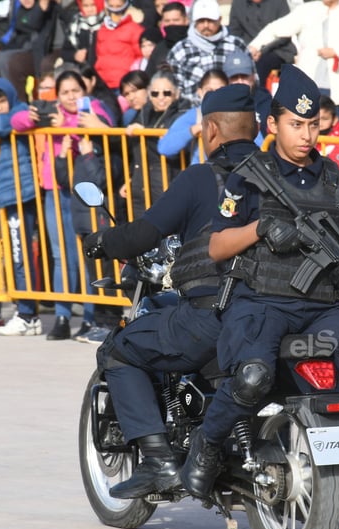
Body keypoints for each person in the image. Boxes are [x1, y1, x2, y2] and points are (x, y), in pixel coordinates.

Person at [180, 65, 339, 500]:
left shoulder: (332, 178)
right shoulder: (248, 175)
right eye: (295, 124)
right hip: (260, 303)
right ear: (272, 124)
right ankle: (207, 445)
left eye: (312, 125)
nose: (306, 135)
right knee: (251, 379)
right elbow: (215, 246)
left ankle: (336, 450)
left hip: (321, 308)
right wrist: (261, 229)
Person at [79, 84, 261, 498]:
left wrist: (102, 242)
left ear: (211, 130)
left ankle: (160, 461)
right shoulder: (283, 177)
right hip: (281, 313)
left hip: (216, 315)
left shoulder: (202, 178)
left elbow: (143, 233)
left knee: (121, 351)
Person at [11, 70, 112, 340]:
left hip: (85, 190)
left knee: (89, 256)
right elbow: (17, 122)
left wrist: (80, 129)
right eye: (65, 92)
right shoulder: (52, 110)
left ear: (84, 90)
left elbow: (109, 126)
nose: (70, 97)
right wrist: (37, 118)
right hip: (55, 190)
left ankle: (91, 318)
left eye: (75, 91)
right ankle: (62, 316)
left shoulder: (91, 109)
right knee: (61, 257)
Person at [0, 78, 42, 336]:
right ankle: (24, 309)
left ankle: (27, 313)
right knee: (16, 254)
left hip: (20, 194)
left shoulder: (17, 112)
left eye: (2, 100)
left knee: (20, 255)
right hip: (6, 195)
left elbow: (8, 124)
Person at [247, 0, 339, 112]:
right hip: (308, 88)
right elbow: (275, 29)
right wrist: (255, 46)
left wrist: (337, 52)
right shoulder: (307, 10)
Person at [119, 69, 188, 215]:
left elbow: (172, 148)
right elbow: (136, 151)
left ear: (176, 93)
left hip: (167, 186)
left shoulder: (182, 114)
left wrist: (144, 132)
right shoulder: (144, 113)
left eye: (167, 93)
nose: (161, 97)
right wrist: (131, 176)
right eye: (155, 93)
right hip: (141, 188)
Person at [165, 0, 250, 104]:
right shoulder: (180, 50)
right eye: (201, 21)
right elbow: (174, 87)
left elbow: (252, 79)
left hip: (232, 107)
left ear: (219, 20)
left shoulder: (236, 45)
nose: (206, 25)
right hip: (192, 110)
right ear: (194, 21)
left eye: (210, 20)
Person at [157, 69, 229, 165]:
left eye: (220, 90)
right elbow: (164, 147)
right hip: (201, 175)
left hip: (231, 176)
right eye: (209, 90)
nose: (214, 95)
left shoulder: (239, 115)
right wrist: (192, 130)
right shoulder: (195, 115)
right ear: (200, 92)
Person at [228, 0, 294, 86]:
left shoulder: (279, 2)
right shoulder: (238, 3)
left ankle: (260, 95)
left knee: (262, 64)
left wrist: (261, 50)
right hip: (247, 50)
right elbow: (235, 33)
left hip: (278, 50)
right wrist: (249, 50)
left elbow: (285, 33)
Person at [94, 0, 146, 89]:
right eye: (111, 6)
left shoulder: (135, 29)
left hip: (125, 85)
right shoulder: (102, 29)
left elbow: (141, 58)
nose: (114, 10)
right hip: (103, 84)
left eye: (118, 6)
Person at [221, 49, 272, 137]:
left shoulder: (266, 102)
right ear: (226, 80)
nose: (240, 81)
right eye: (234, 77)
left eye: (244, 76)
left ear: (253, 76)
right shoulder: (218, 103)